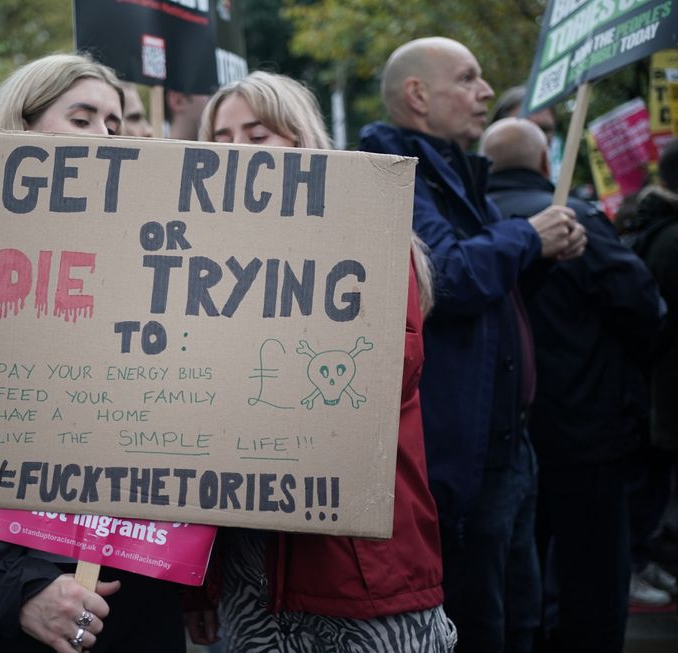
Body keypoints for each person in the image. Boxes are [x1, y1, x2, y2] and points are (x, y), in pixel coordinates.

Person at [0, 53, 187, 653]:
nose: (104, 136)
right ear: (21, 133)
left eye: (115, 124)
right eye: (82, 118)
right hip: (10, 610)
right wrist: (16, 592)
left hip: (138, 596)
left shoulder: (151, 272)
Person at [185, 71, 452, 653]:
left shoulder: (369, 234)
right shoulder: (195, 261)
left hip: (355, 572)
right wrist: (202, 585)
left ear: (300, 141)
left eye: (257, 137)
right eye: (222, 141)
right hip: (247, 572)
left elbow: (380, 379)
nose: (237, 155)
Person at [358, 37, 586, 652]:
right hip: (462, 460)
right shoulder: (388, 169)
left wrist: (542, 254)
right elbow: (448, 278)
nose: (485, 93)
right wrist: (527, 237)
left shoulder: (455, 167)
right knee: (481, 624)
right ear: (418, 95)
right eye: (468, 78)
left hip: (508, 448)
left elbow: (492, 291)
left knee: (518, 617)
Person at [482, 117, 662, 651]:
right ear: (545, 163)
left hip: (501, 437)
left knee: (513, 582)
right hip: (587, 430)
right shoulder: (574, 219)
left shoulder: (473, 226)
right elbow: (644, 305)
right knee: (594, 577)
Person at [628, 137, 678, 605]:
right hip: (662, 384)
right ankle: (639, 561)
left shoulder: (649, 221)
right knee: (653, 482)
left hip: (652, 381)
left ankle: (643, 560)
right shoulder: (671, 235)